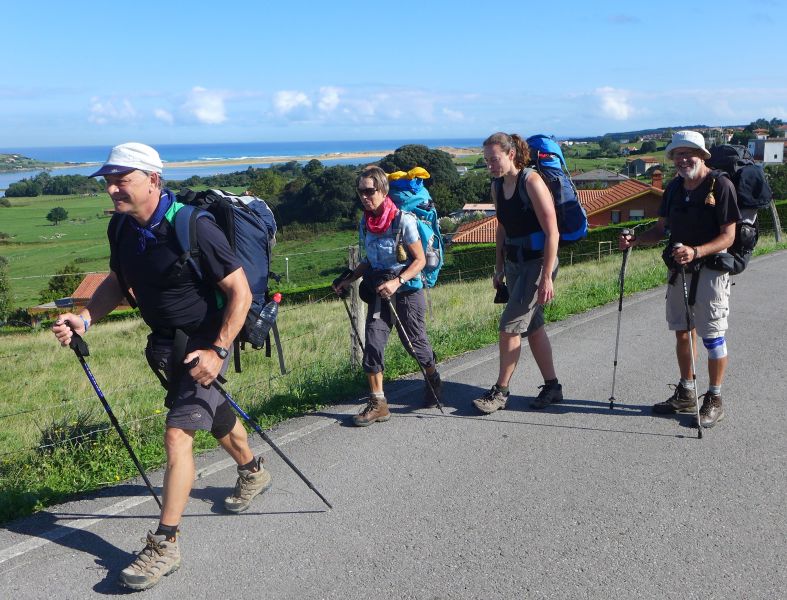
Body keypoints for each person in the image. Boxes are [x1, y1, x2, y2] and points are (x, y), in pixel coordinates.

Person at [51, 143, 272, 590]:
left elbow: (240, 292)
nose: (112, 189)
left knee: (178, 433)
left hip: (206, 343)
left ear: (153, 180)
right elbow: (118, 281)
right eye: (108, 181)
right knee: (214, 415)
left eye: (122, 180)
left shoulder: (194, 226)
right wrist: (86, 318)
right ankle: (253, 470)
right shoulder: (121, 227)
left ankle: (165, 543)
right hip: (168, 347)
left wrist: (218, 351)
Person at [619, 130, 740, 428]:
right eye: (677, 155)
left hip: (711, 270)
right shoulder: (674, 188)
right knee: (683, 331)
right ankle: (686, 392)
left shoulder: (721, 186)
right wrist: (636, 240)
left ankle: (714, 398)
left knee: (713, 336)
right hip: (679, 270)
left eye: (689, 153)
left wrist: (696, 251)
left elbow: (729, 236)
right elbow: (661, 230)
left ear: (702, 156)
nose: (683, 159)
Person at [332, 166, 442, 426]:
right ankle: (378, 403)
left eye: (369, 191)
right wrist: (348, 279)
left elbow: (420, 260)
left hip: (407, 292)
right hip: (379, 292)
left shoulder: (403, 221)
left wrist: (397, 281)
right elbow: (369, 261)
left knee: (414, 345)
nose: (364, 196)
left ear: (383, 190)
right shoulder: (366, 223)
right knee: (372, 343)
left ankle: (433, 378)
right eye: (360, 191)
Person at [472, 132, 563, 414]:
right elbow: (502, 228)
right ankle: (553, 387)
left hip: (538, 263)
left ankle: (500, 392)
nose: (490, 165)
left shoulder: (531, 181)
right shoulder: (498, 186)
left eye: (494, 159)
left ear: (511, 154)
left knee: (509, 327)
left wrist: (546, 277)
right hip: (514, 264)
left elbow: (552, 232)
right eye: (487, 160)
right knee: (533, 327)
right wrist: (499, 267)